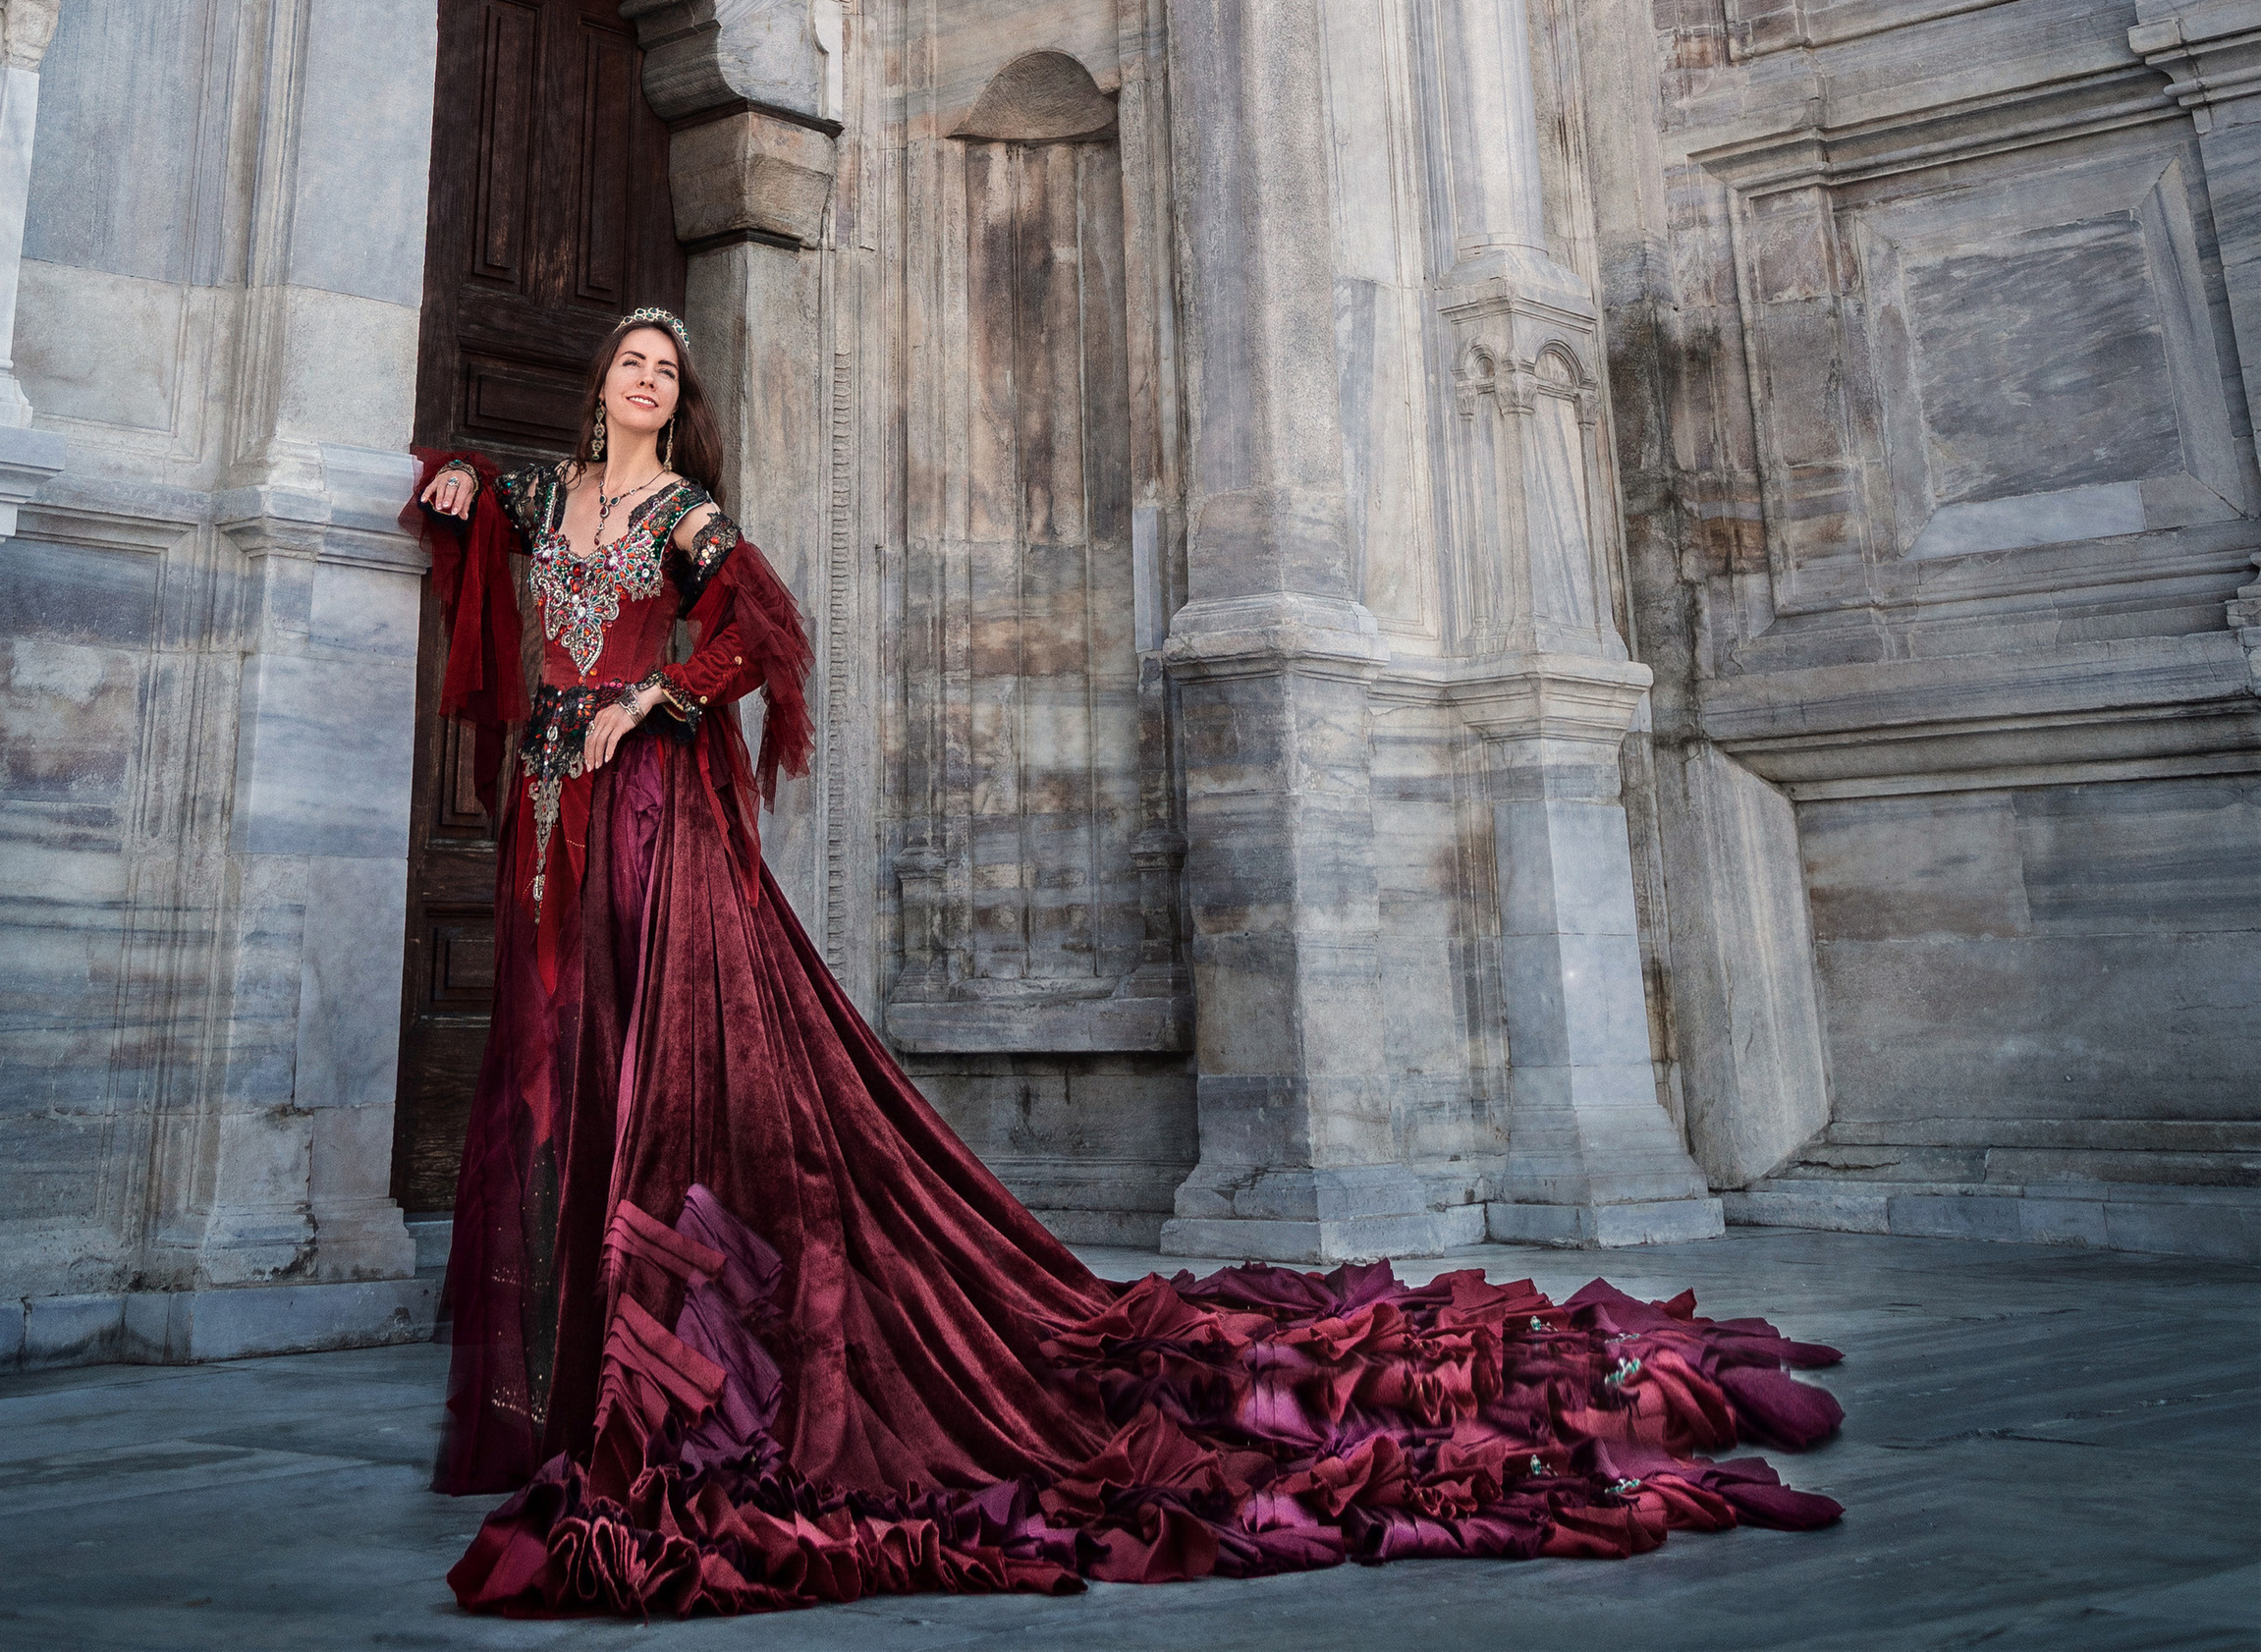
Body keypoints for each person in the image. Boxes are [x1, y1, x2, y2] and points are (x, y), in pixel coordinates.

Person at [413, 303, 1845, 1617]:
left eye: (668, 368)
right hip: (548, 816)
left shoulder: (687, 513)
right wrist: (457, 476)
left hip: (649, 812)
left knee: (651, 1060)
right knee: (549, 1068)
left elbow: (767, 631)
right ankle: (542, 1379)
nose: (648, 381)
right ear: (601, 385)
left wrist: (653, 698)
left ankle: (647, 1371)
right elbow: (473, 511)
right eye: (631, 363)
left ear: (681, 399)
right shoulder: (555, 494)